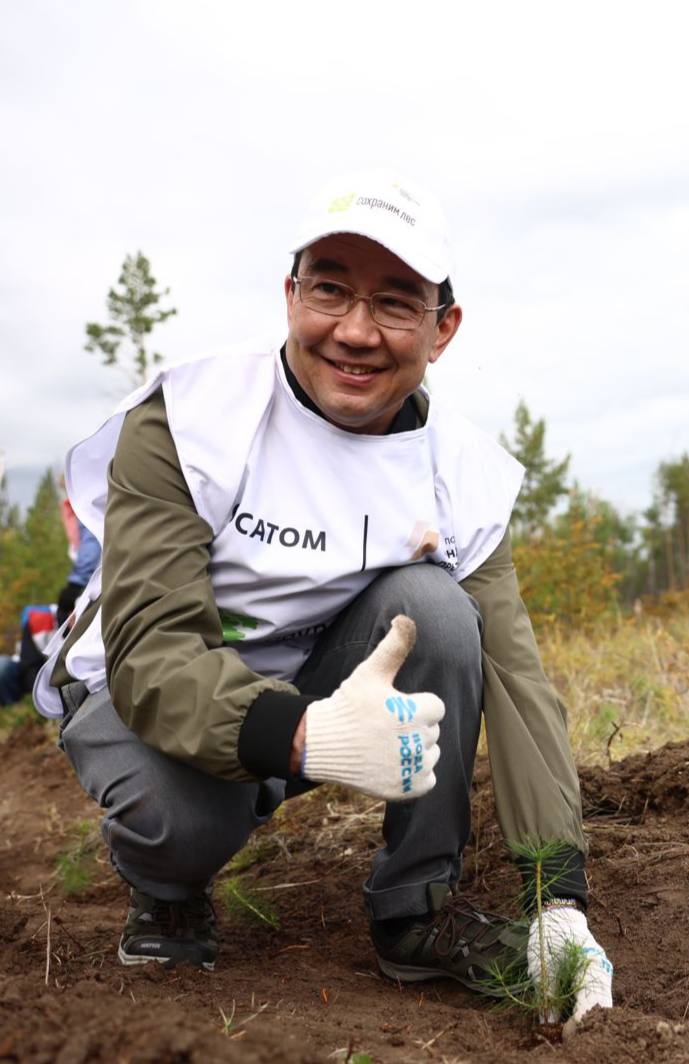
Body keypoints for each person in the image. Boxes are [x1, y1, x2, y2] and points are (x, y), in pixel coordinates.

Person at [34, 170, 612, 1026]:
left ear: (443, 328)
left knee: (442, 608)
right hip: (136, 690)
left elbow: (518, 686)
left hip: (312, 680)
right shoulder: (190, 420)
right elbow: (154, 658)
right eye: (330, 291)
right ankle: (167, 889)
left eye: (395, 304)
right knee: (184, 822)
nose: (355, 332)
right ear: (290, 294)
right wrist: (308, 736)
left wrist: (556, 896)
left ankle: (416, 914)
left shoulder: (462, 475)